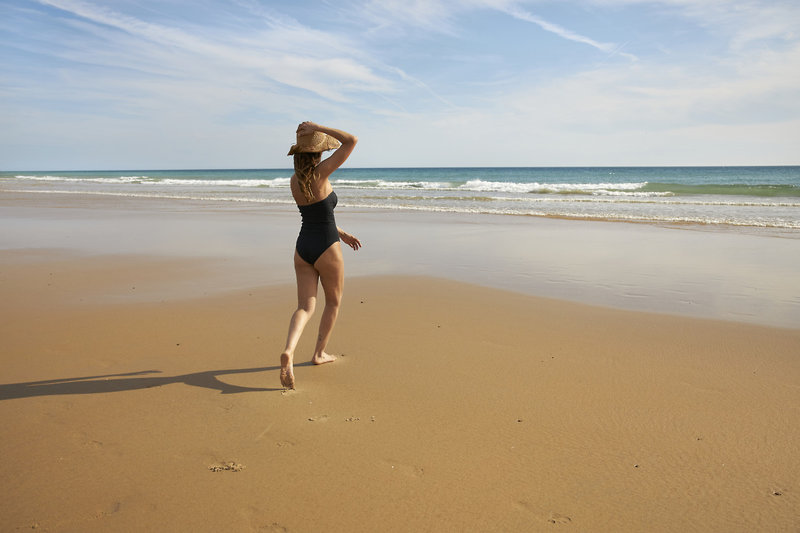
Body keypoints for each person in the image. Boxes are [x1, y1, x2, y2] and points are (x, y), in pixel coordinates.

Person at [279, 121, 361, 389]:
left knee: (304, 307)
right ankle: (319, 354)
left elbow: (316, 215)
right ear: (318, 153)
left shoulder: (295, 181)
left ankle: (289, 350)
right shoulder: (322, 173)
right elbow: (351, 140)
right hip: (326, 247)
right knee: (333, 303)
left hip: (303, 247)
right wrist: (318, 126)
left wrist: (342, 233)